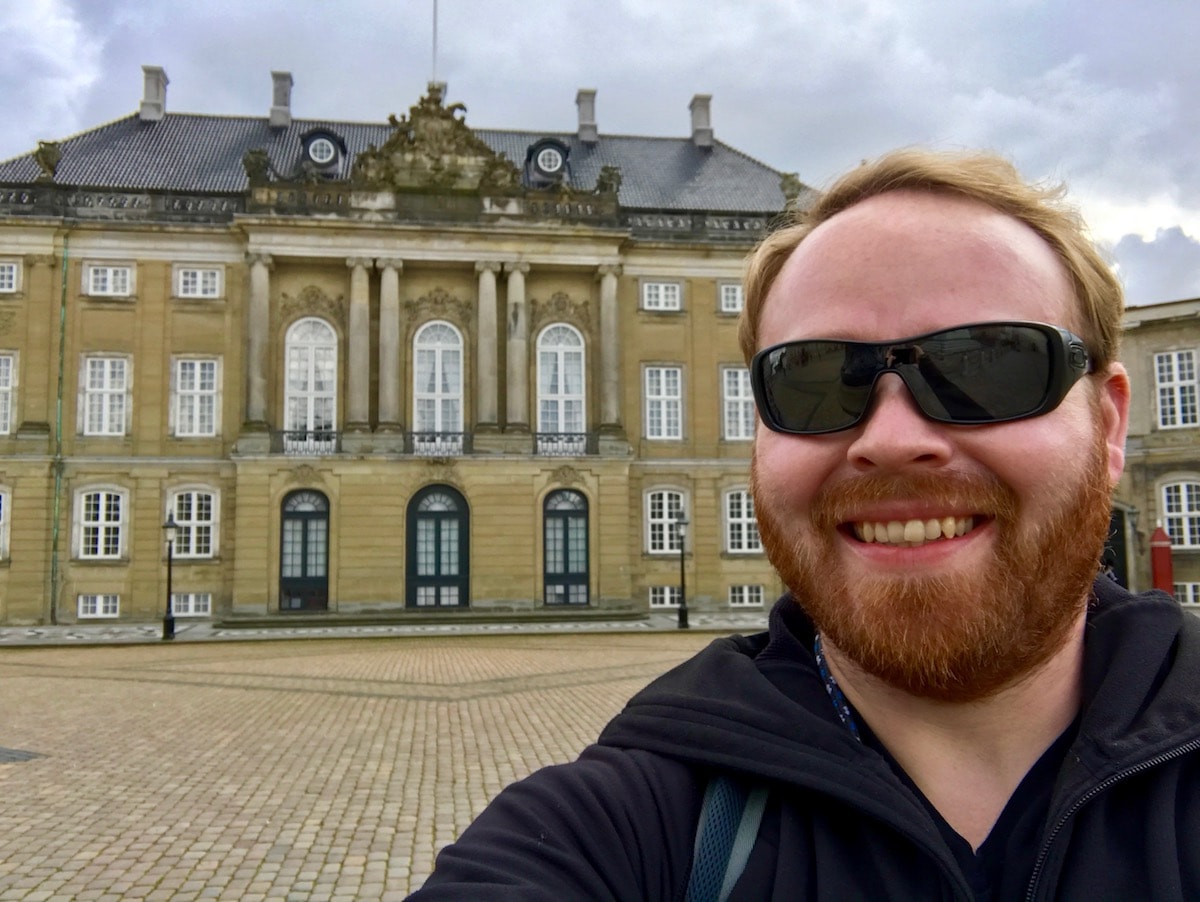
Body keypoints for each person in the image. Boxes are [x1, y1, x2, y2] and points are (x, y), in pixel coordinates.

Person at [410, 150, 1200, 900]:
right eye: (816, 379)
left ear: (1108, 425)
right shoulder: (634, 829)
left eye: (987, 365)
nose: (892, 438)